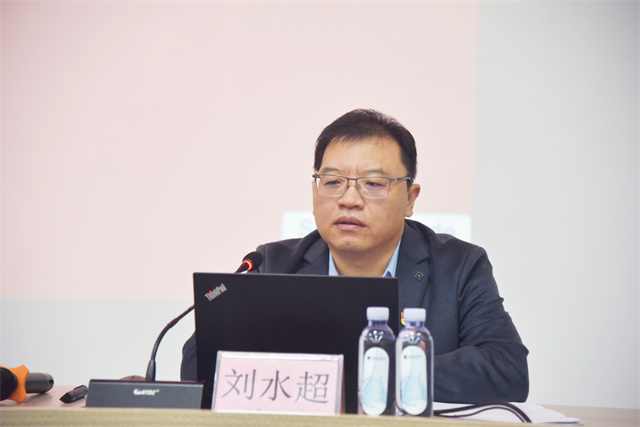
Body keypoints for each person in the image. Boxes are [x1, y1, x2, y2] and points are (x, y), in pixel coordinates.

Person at [181, 109, 529, 403]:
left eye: (373, 184)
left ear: (410, 198)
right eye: (332, 182)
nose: (349, 199)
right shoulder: (273, 265)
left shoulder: (459, 266)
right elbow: (199, 364)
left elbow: (506, 368)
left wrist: (366, 372)